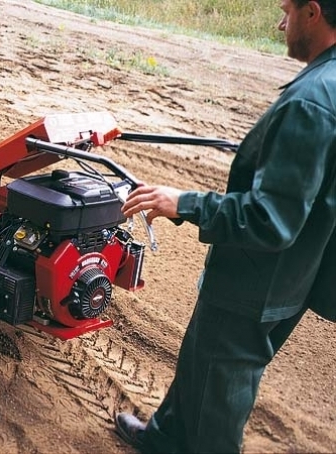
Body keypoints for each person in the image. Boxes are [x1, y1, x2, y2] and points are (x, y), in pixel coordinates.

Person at [114, 0, 336, 452]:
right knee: (203, 354)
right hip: (296, 272)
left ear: (313, 12)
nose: (280, 20)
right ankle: (168, 436)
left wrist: (185, 202)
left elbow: (270, 220)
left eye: (288, 9)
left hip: (257, 278)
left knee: (221, 386)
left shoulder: (313, 101)